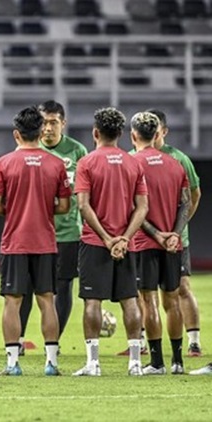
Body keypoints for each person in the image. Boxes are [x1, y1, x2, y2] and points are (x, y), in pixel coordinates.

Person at [0, 106, 71, 376]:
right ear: (40, 131)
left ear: (16, 134)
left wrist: (15, 210)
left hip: (15, 241)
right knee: (47, 300)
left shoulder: (4, 163)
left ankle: (12, 363)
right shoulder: (56, 164)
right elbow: (64, 206)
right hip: (46, 242)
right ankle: (51, 363)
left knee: (12, 301)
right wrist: (43, 208)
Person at [72, 107, 148, 377]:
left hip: (95, 242)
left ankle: (93, 363)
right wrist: (124, 239)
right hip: (127, 245)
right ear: (122, 134)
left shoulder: (87, 163)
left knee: (92, 302)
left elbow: (83, 205)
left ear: (95, 133)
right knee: (130, 301)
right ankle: (136, 363)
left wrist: (106, 238)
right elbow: (142, 208)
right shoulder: (134, 163)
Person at [17, 100, 88, 355]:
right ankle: (20, 339)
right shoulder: (27, 151)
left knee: (63, 286)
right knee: (23, 287)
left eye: (53, 123)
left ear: (63, 124)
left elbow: (85, 194)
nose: (48, 128)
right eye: (44, 122)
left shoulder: (77, 151)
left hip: (67, 233)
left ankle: (53, 343)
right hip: (32, 232)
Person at [129, 112, 190, 375]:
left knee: (148, 301)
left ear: (133, 135)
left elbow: (134, 208)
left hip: (144, 243)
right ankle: (178, 361)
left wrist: (156, 235)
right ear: (157, 134)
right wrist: (174, 233)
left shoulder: (131, 164)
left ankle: (156, 363)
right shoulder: (175, 164)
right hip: (172, 245)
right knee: (172, 301)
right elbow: (186, 202)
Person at [147, 109, 203, 358]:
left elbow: (194, 194)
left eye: (155, 127)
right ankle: (143, 342)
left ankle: (193, 341)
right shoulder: (135, 157)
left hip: (175, 239)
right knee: (146, 293)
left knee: (181, 288)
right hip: (146, 238)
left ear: (164, 131)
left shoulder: (179, 159)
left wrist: (178, 228)